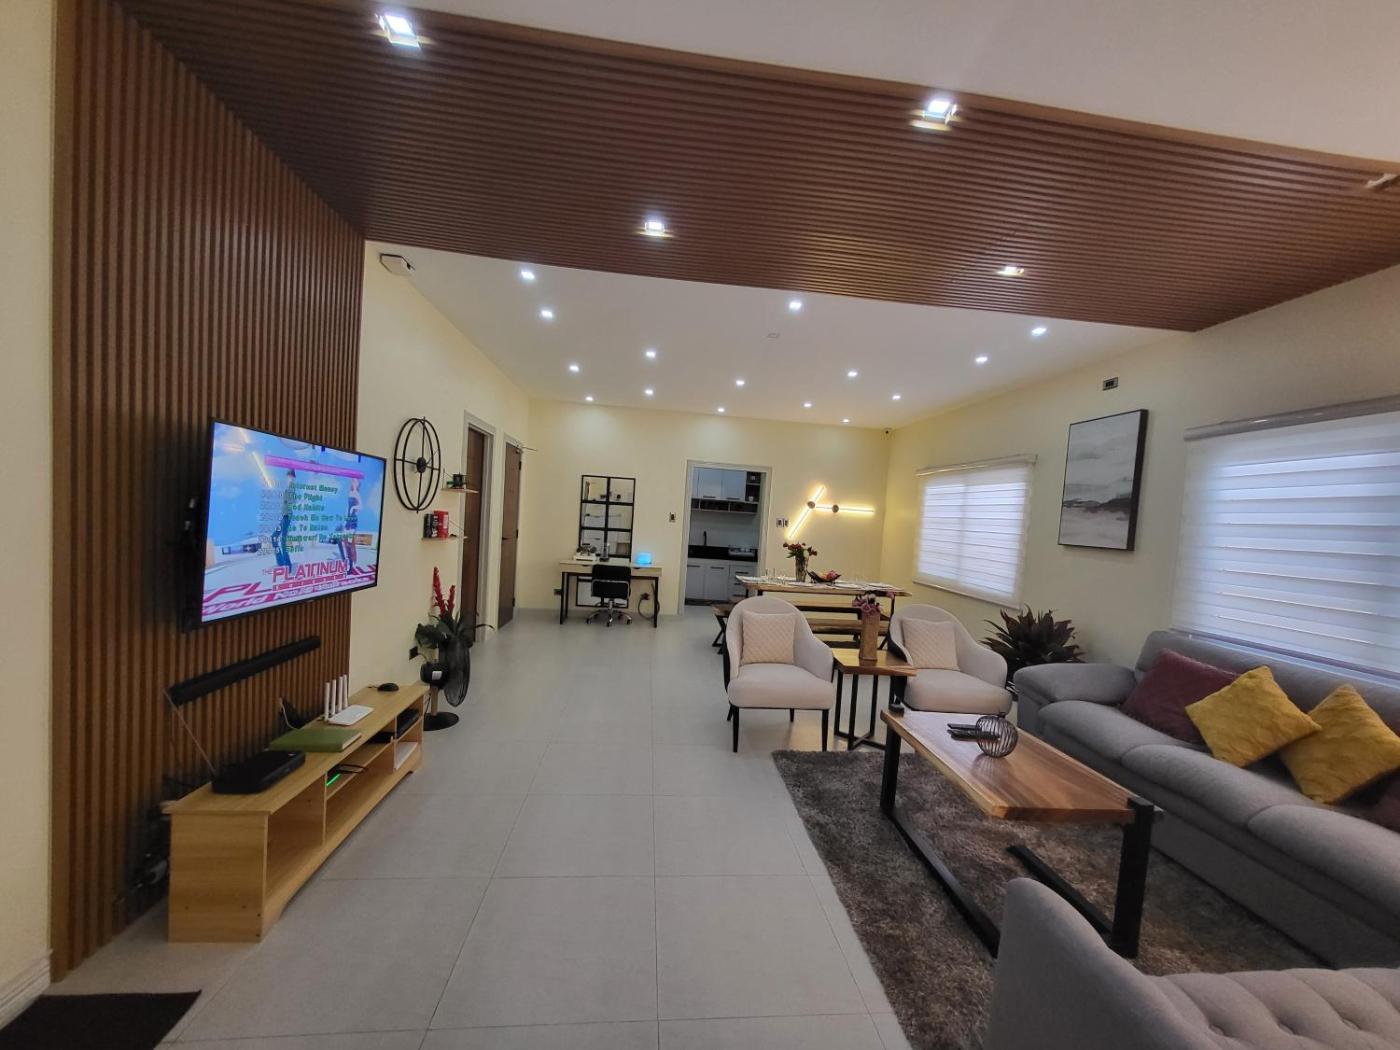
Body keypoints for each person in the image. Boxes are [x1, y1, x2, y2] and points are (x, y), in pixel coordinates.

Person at [274, 469, 297, 569]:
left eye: (290, 476)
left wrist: (287, 503)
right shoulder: (288, 487)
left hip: (287, 516)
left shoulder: (292, 486)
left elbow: (293, 500)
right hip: (284, 517)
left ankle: (288, 565)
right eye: (288, 476)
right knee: (274, 537)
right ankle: (281, 562)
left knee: (283, 541)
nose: (288, 477)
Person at [341, 477, 362, 575]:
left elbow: (361, 506)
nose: (354, 481)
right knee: (346, 543)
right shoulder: (350, 493)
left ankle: (351, 566)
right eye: (353, 480)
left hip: (353, 521)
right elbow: (347, 508)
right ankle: (349, 564)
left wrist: (354, 508)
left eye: (356, 480)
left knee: (349, 543)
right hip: (347, 520)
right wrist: (345, 519)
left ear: (358, 484)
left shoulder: (357, 494)